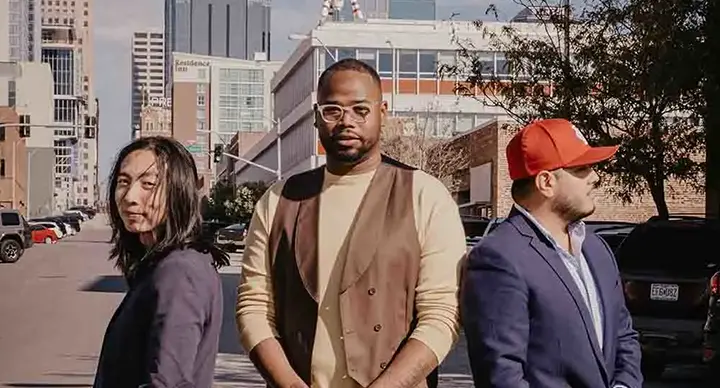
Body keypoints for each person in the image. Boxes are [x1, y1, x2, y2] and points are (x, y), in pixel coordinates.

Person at [236, 58, 467, 388]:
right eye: (333, 110)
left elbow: (441, 314)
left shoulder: (424, 195)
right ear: (317, 117)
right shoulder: (279, 200)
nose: (347, 122)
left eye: (361, 110)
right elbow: (254, 307)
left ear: (382, 113)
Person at [461, 118, 643, 388]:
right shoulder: (499, 258)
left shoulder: (596, 249)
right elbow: (502, 376)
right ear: (546, 182)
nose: (596, 178)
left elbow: (624, 337)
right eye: (581, 169)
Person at [94, 136, 229, 388]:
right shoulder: (160, 264)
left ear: (178, 192)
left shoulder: (180, 272)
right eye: (123, 182)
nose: (130, 196)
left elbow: (169, 382)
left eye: (148, 184)